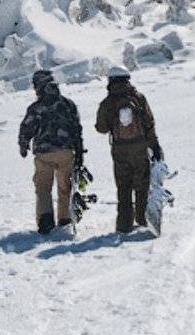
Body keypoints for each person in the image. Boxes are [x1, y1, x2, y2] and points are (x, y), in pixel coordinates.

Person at [95, 69, 164, 234]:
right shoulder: (138, 98)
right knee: (142, 184)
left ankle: (124, 224)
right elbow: (149, 124)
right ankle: (142, 219)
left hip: (120, 150)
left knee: (123, 186)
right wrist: (155, 146)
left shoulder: (108, 102)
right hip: (140, 147)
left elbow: (101, 128)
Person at [18, 71, 84, 235]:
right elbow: (76, 129)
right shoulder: (68, 104)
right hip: (66, 152)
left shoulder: (36, 107)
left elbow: (27, 128)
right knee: (65, 187)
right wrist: (79, 151)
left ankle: (45, 220)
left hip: (44, 153)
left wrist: (23, 145)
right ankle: (65, 218)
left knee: (43, 188)